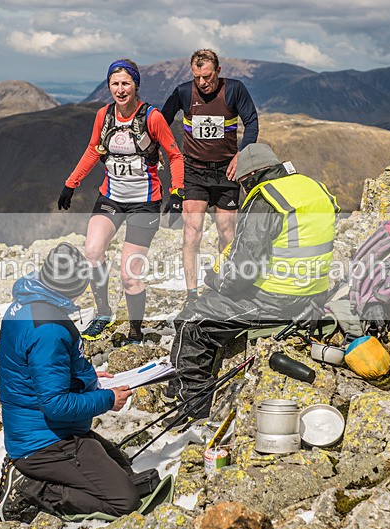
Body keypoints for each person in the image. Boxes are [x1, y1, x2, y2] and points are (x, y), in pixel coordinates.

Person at [167, 143, 340, 422]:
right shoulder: (312, 186)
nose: (243, 190)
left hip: (277, 298)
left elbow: (242, 271)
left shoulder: (266, 199)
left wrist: (216, 282)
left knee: (192, 322)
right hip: (314, 294)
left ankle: (193, 408)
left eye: (243, 184)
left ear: (251, 176)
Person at [0, 243, 140, 522]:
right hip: (44, 442)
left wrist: (86, 377)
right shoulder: (49, 329)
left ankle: (36, 477)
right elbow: (55, 405)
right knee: (125, 500)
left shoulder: (26, 304)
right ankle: (29, 487)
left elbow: (34, 370)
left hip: (36, 430)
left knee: (126, 472)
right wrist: (108, 400)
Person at [59, 58, 184, 343]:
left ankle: (136, 332)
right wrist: (71, 183)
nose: (120, 89)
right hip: (112, 197)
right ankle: (103, 313)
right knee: (92, 252)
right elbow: (94, 149)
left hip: (145, 202)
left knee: (130, 275)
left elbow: (175, 155)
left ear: (135, 85)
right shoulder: (104, 115)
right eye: (114, 84)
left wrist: (177, 193)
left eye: (125, 83)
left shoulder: (151, 117)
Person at [161, 49, 259, 303]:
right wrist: (167, 151)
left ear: (218, 71)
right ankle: (192, 294)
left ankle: (227, 285)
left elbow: (252, 122)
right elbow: (161, 121)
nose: (203, 83)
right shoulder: (184, 92)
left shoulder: (234, 90)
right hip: (194, 171)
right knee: (192, 232)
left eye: (207, 76)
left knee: (227, 232)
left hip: (227, 171)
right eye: (197, 77)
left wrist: (241, 155)